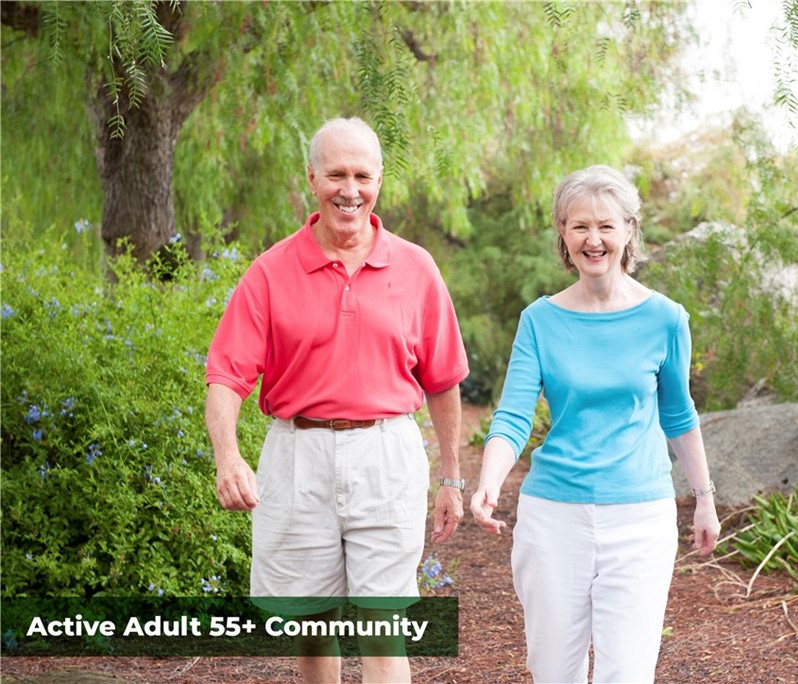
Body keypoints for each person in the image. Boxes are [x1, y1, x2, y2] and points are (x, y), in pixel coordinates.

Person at [205, 116, 469, 684]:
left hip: (387, 452)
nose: (350, 189)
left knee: (383, 626)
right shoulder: (270, 272)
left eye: (362, 175)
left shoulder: (417, 267)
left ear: (379, 181)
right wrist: (228, 459)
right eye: (336, 175)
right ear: (312, 179)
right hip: (298, 457)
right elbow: (226, 376)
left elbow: (443, 381)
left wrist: (452, 478)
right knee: (311, 626)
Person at [470, 165, 720, 683]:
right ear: (563, 233)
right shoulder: (539, 320)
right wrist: (489, 482)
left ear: (629, 230)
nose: (594, 238)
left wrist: (704, 497)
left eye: (606, 225)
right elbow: (513, 416)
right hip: (553, 517)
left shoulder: (667, 318)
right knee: (553, 672)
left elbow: (677, 414)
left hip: (640, 518)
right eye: (580, 225)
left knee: (626, 674)